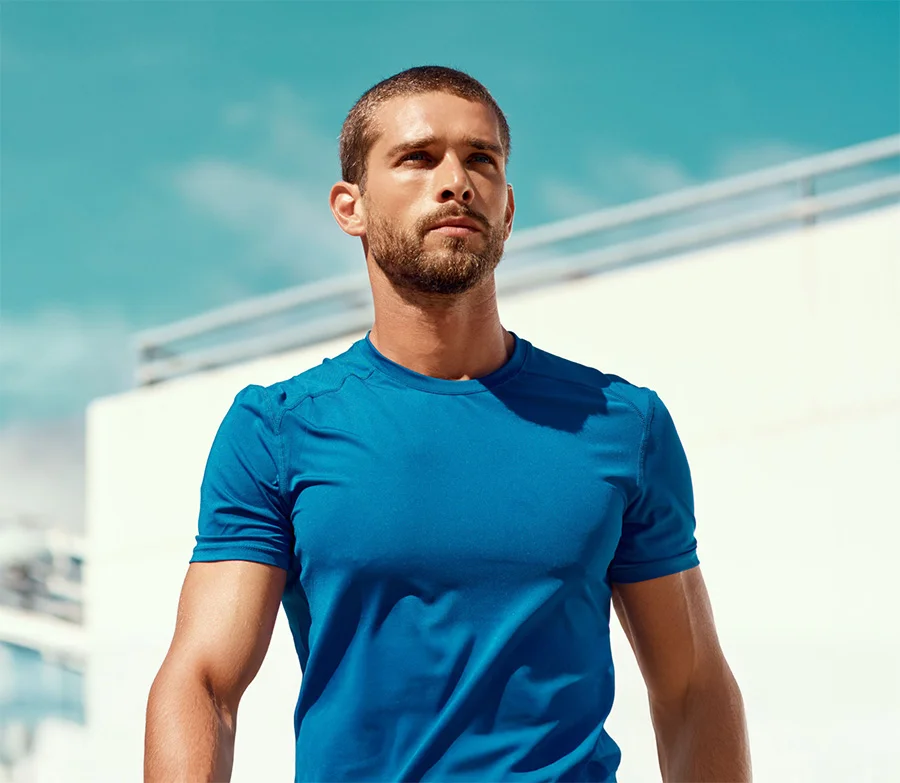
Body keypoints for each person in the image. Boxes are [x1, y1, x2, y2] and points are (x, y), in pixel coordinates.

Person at [144, 65, 751, 783]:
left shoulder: (622, 424)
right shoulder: (275, 430)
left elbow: (692, 688)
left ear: (508, 208)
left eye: (481, 160)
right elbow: (203, 681)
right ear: (350, 206)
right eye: (418, 157)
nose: (456, 181)